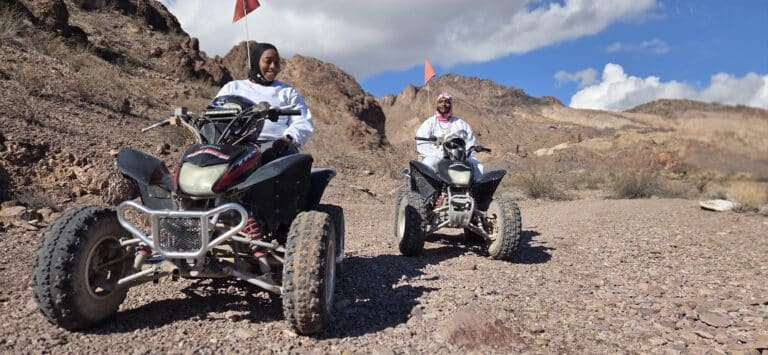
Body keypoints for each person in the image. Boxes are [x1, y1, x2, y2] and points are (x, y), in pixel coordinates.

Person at [213, 42, 313, 162]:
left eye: (276, 63)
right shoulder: (233, 87)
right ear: (255, 62)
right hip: (235, 147)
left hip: (275, 147)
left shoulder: (287, 91)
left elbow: (303, 120)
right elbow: (214, 112)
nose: (273, 66)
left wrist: (287, 139)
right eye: (268, 61)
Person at [415, 92, 484, 177]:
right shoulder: (429, 123)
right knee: (428, 164)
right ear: (437, 104)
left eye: (447, 102)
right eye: (440, 102)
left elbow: (470, 142)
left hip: (459, 157)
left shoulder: (461, 124)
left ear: (451, 105)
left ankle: (475, 190)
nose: (443, 104)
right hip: (436, 155)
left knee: (478, 166)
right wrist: (437, 153)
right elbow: (421, 142)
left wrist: (465, 153)